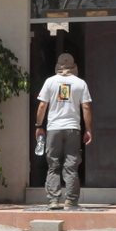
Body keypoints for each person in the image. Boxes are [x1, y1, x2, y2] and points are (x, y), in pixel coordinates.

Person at [35, 53, 92, 211]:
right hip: (73, 128)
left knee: (53, 164)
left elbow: (42, 106)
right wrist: (88, 129)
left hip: (53, 128)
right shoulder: (80, 83)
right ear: (74, 66)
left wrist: (39, 126)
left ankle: (53, 200)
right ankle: (71, 201)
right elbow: (86, 107)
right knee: (71, 165)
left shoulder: (49, 82)